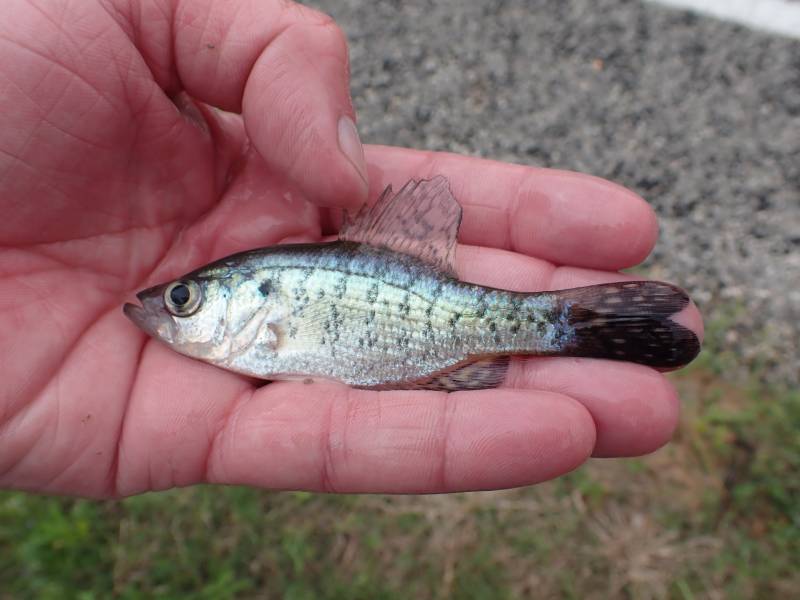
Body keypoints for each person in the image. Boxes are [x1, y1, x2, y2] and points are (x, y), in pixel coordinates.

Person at [0, 0, 702, 498]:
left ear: (249, 303)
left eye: (183, 299)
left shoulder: (262, 310)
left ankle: (565, 323)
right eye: (180, 299)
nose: (165, 307)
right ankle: (564, 324)